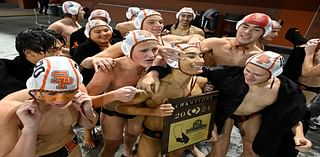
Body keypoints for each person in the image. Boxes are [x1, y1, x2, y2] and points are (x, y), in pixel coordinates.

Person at [142, 50, 312, 157]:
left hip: (252, 115)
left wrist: (299, 135)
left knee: (253, 150)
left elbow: (294, 116)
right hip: (225, 114)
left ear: (273, 76)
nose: (249, 77)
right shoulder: (231, 75)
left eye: (257, 75)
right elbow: (190, 69)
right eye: (248, 70)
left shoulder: (287, 90)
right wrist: (154, 72)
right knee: (219, 150)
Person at [115, 43, 209, 157]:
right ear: (174, 61)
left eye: (201, 55)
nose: (201, 61)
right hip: (154, 135)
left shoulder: (200, 82)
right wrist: (153, 112)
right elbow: (120, 107)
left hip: (180, 135)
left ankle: (191, 148)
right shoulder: (156, 86)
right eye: (191, 56)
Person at [0, 56, 98, 157]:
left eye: (68, 92)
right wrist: (30, 129)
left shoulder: (78, 93)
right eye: (52, 93)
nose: (61, 100)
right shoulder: (8, 109)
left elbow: (89, 125)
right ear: (36, 89)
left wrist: (87, 110)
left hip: (70, 146)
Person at [86, 30, 159, 157]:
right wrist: (114, 95)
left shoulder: (155, 63)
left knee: (132, 135)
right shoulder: (110, 68)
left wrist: (154, 73)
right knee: (112, 146)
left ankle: (127, 152)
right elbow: (85, 100)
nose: (151, 55)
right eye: (143, 51)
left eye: (154, 49)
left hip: (137, 111)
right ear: (128, 51)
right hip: (113, 112)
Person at [81, 9, 204, 71]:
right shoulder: (126, 45)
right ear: (140, 25)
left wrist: (193, 38)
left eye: (160, 22)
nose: (158, 25)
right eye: (152, 22)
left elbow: (198, 37)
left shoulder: (167, 39)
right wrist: (96, 61)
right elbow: (85, 63)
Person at [71, 19, 114, 149]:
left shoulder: (117, 44)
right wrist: (94, 60)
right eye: (98, 31)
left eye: (106, 30)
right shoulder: (83, 48)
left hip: (114, 82)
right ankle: (87, 132)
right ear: (89, 34)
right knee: (92, 107)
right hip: (92, 82)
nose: (103, 33)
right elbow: (82, 63)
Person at [0, 27, 65, 99]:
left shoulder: (63, 69)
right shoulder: (4, 71)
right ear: (29, 53)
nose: (61, 54)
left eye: (61, 49)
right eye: (53, 50)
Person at [200, 12, 272, 67]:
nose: (247, 32)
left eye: (256, 30)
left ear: (263, 35)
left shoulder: (258, 57)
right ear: (238, 27)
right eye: (244, 27)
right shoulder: (213, 43)